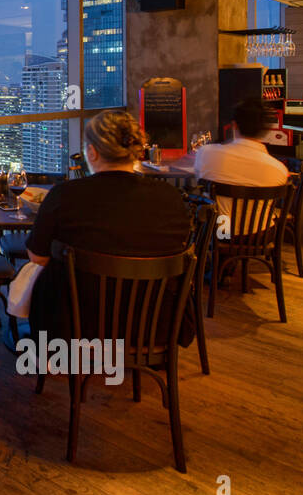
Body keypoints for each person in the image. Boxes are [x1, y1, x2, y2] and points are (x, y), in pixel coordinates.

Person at [25, 109, 193, 347]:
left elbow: (37, 256)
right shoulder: (171, 197)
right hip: (155, 325)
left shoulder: (66, 195)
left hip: (77, 327)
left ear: (91, 152)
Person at [193, 96, 290, 218]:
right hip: (260, 235)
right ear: (267, 129)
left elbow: (198, 182)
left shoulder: (206, 153)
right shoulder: (279, 170)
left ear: (234, 125)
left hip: (217, 234)